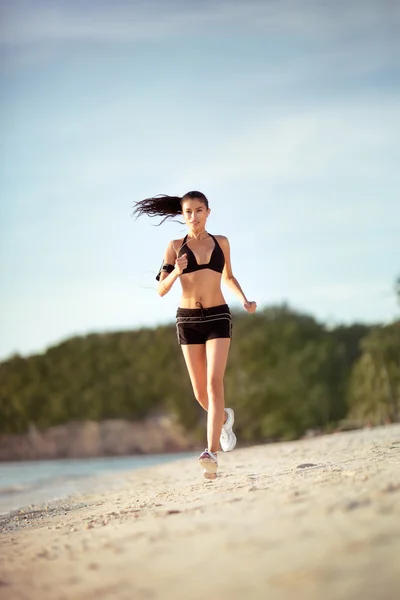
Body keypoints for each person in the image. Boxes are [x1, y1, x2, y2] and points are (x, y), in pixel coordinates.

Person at [133, 191, 257, 479]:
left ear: (208, 212)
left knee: (215, 384)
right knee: (200, 393)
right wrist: (176, 271)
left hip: (217, 316)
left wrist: (244, 299)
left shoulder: (221, 242)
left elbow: (228, 277)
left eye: (199, 210)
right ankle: (225, 419)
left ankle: (210, 452)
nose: (193, 216)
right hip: (187, 320)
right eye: (188, 212)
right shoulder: (174, 247)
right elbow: (161, 290)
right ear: (182, 215)